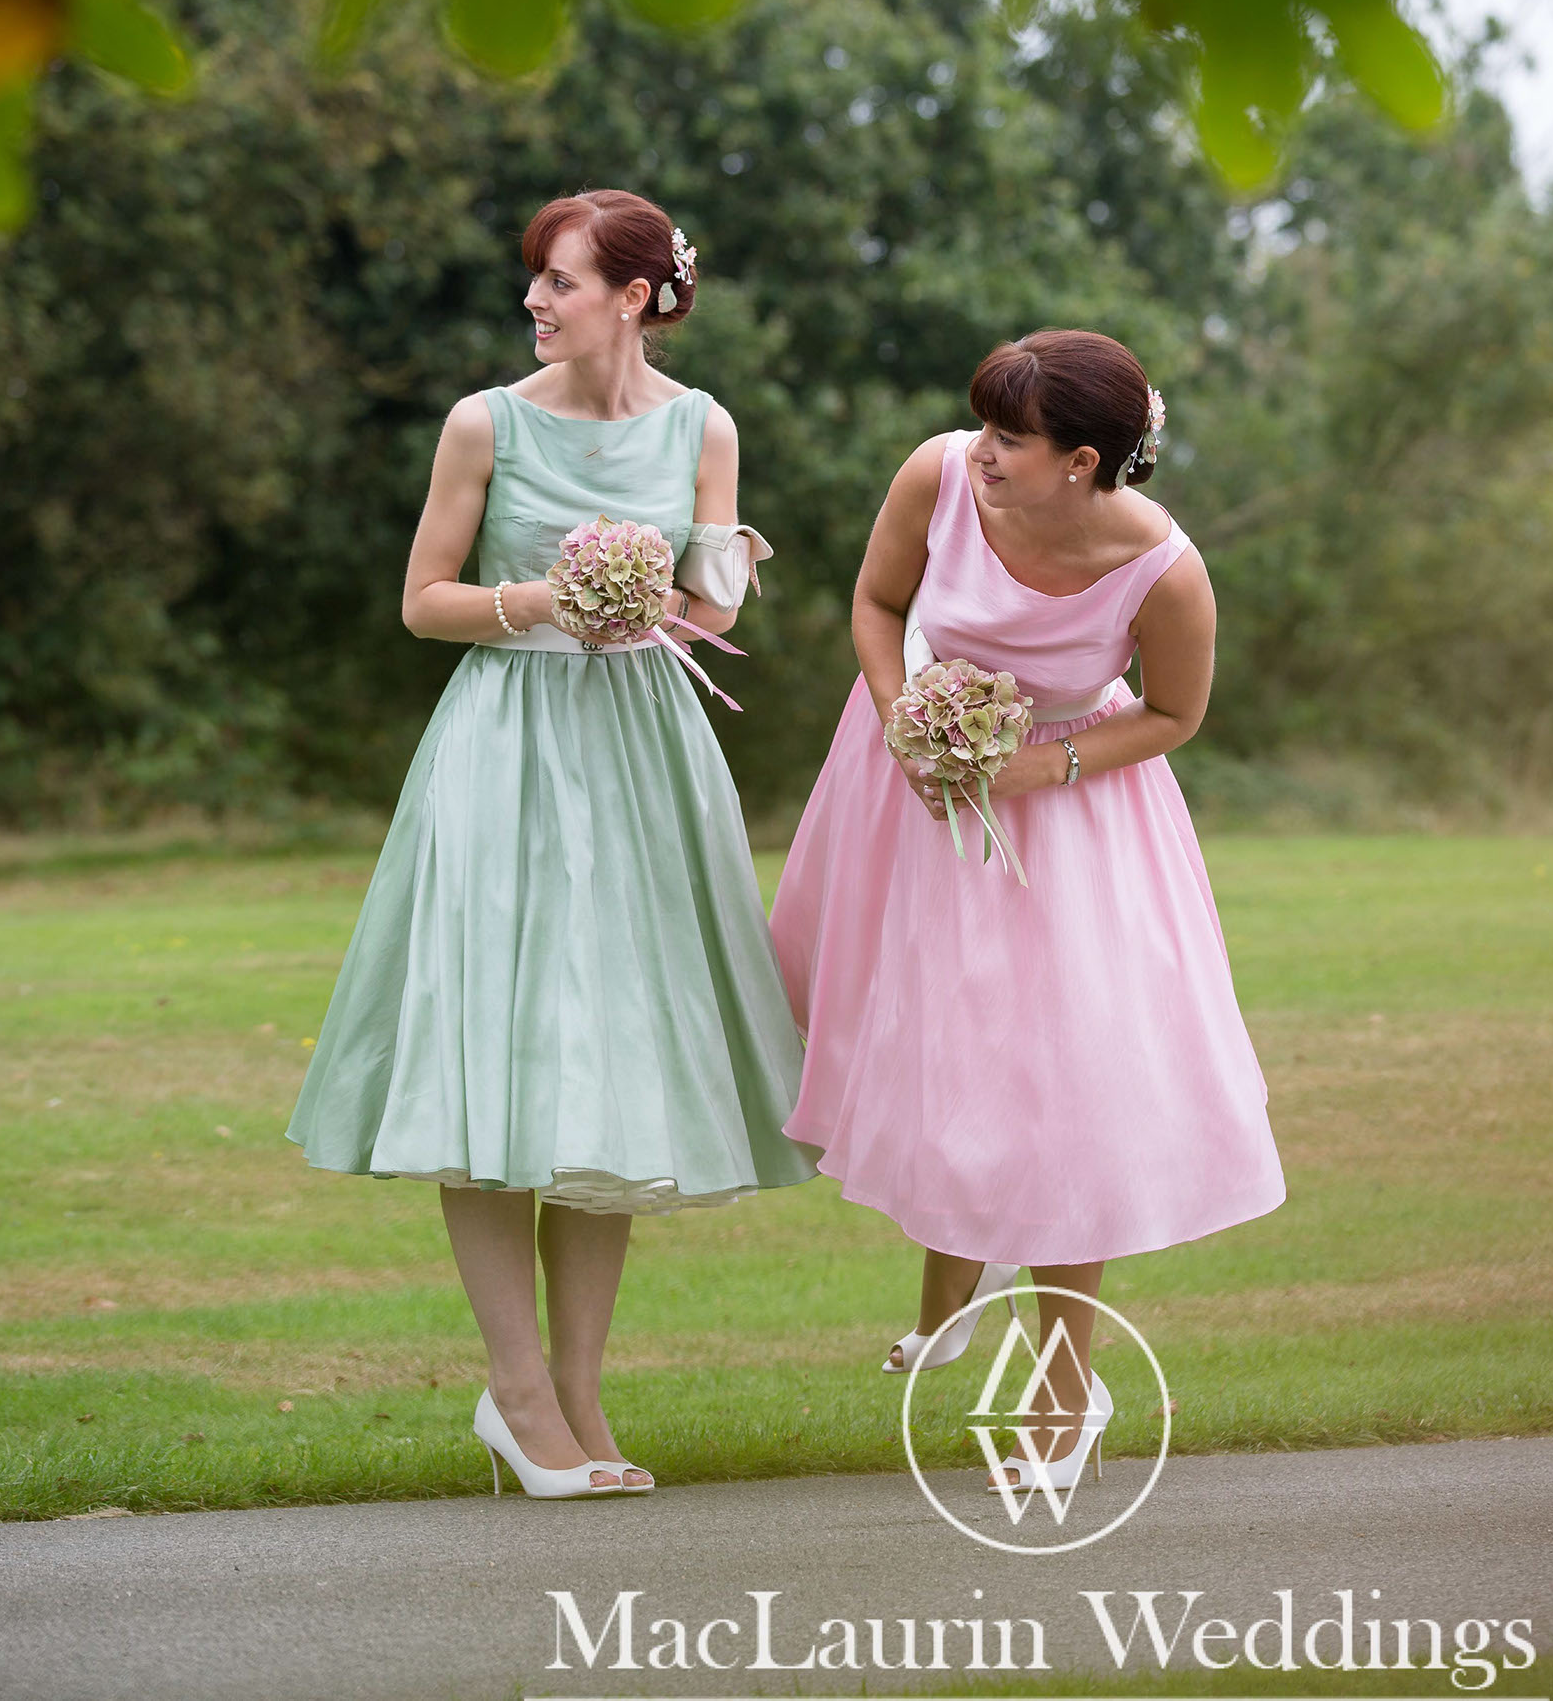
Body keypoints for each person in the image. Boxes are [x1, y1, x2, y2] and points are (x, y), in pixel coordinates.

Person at [286, 190, 814, 1499]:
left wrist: (711, 570)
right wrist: (546, 599)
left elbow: (704, 608)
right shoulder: (487, 421)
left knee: (607, 1064)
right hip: (509, 749)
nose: (536, 299)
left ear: (635, 296)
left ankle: (579, 1395)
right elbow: (424, 601)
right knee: (496, 1061)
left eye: (561, 280)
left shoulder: (704, 425)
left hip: (641, 757)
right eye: (536, 280)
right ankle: (516, 1394)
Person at [769, 329, 1285, 1493]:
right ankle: (947, 1289)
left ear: (1084, 461)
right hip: (910, 795)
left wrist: (1032, 769)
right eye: (986, 428)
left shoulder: (1165, 569)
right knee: (934, 1059)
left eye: (1011, 437)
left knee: (1066, 1097)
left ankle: (1066, 1393)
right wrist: (909, 718)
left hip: (1072, 815)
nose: (983, 452)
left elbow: (1172, 714)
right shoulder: (938, 475)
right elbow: (875, 600)